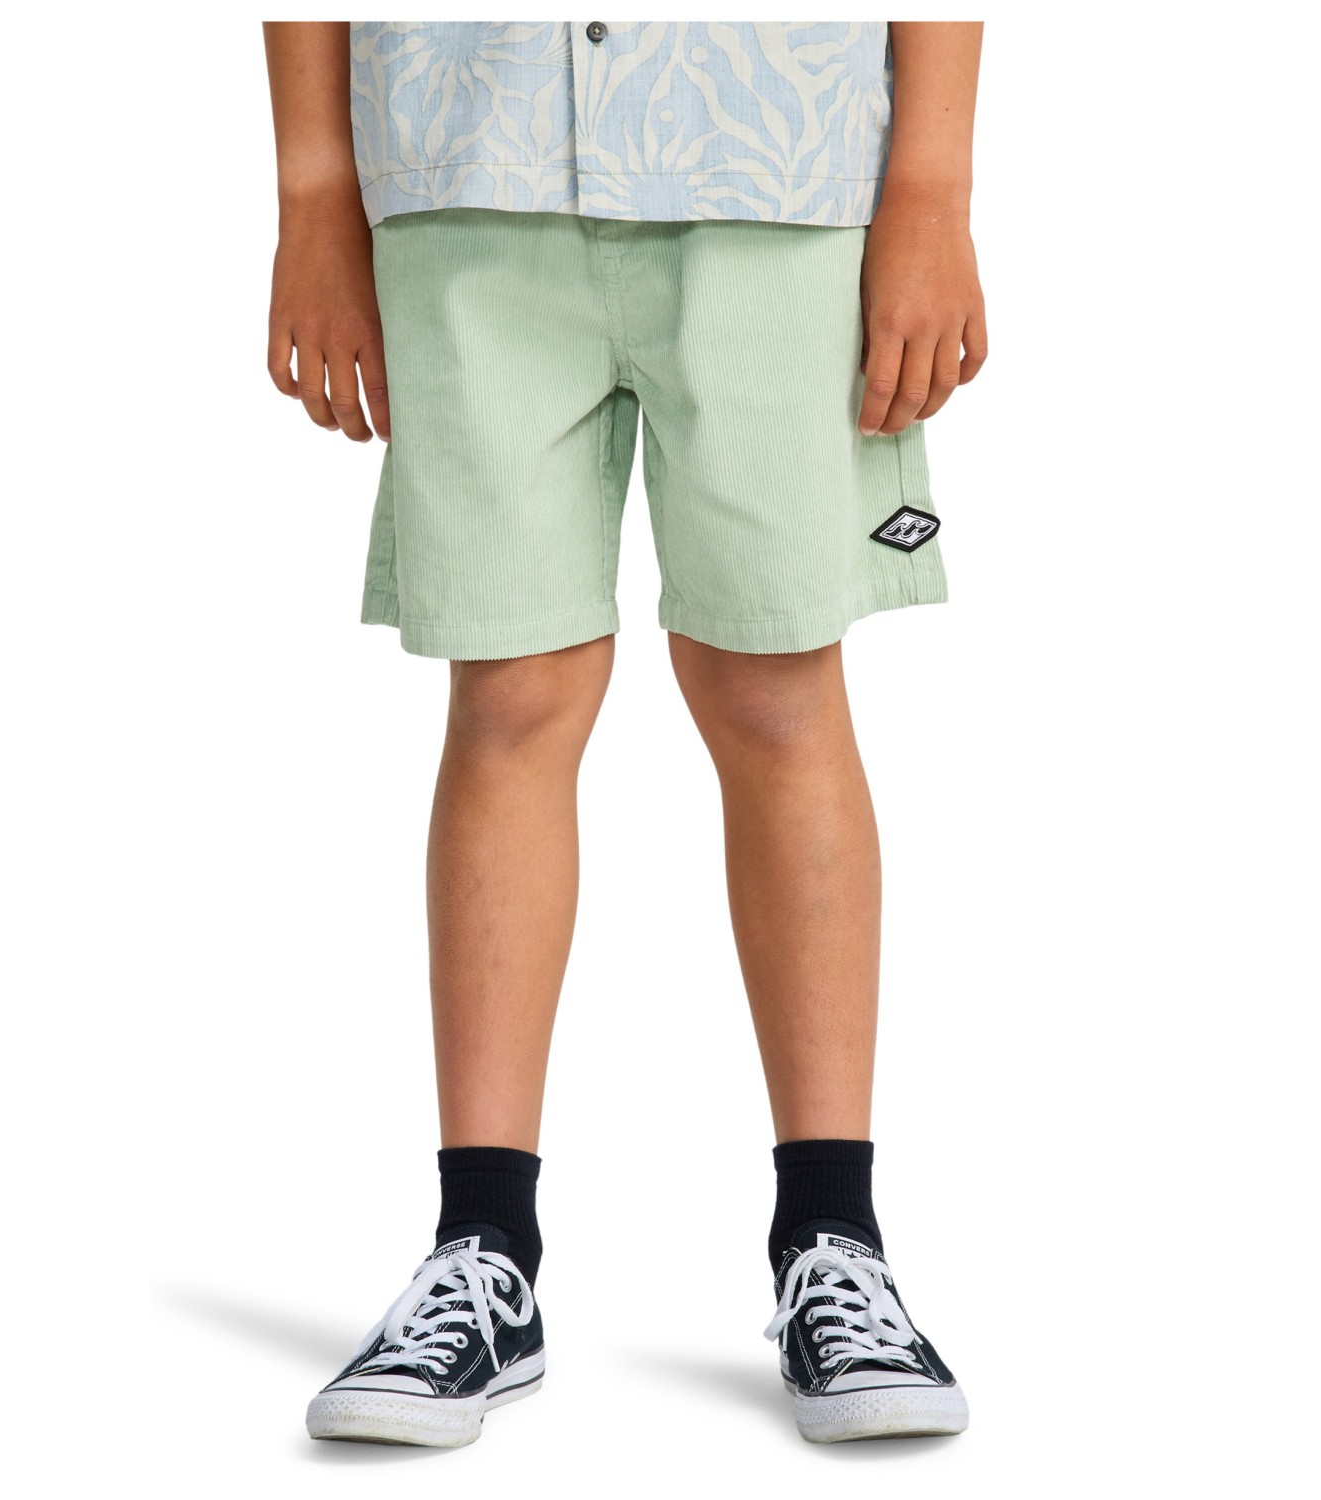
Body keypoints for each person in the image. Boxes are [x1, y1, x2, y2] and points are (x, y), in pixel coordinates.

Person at [263, 20, 986, 1448]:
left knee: (776, 686)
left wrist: (932, 185)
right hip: (470, 154)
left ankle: (834, 1239)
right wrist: (311, 187)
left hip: (773, 157)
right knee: (510, 692)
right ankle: (483, 1253)